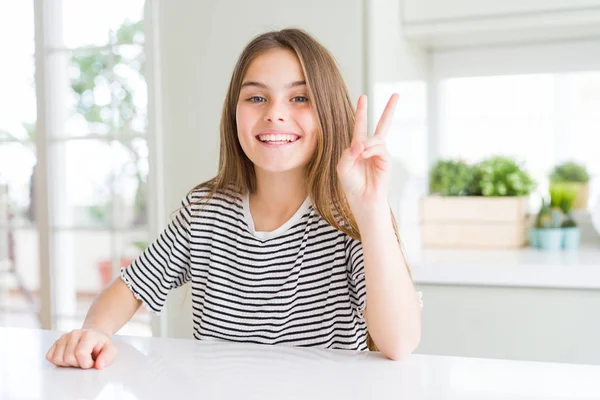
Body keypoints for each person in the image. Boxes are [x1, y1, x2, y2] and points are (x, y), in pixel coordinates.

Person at [46, 28, 422, 370]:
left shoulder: (351, 215)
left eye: (300, 97)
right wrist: (95, 332)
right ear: (234, 114)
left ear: (328, 112)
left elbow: (400, 342)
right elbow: (130, 287)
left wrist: (372, 212)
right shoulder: (205, 212)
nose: (275, 114)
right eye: (256, 97)